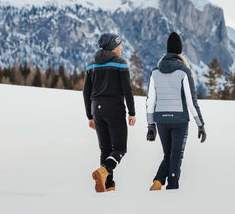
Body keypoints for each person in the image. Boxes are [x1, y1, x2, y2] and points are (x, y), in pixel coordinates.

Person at [145, 32, 206, 190]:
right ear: (180, 52)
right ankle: (172, 187)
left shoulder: (155, 72)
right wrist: (200, 124)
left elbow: (150, 100)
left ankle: (158, 181)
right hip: (179, 120)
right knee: (176, 156)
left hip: (161, 120)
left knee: (168, 155)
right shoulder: (183, 72)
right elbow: (191, 102)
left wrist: (150, 125)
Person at [83, 33, 136, 192]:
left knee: (105, 148)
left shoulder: (91, 65)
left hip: (96, 108)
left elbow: (86, 93)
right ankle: (104, 171)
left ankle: (107, 185)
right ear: (113, 46)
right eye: (119, 44)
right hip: (115, 108)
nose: (121, 47)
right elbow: (127, 90)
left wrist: (90, 116)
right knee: (120, 148)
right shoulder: (120, 64)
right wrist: (132, 112)